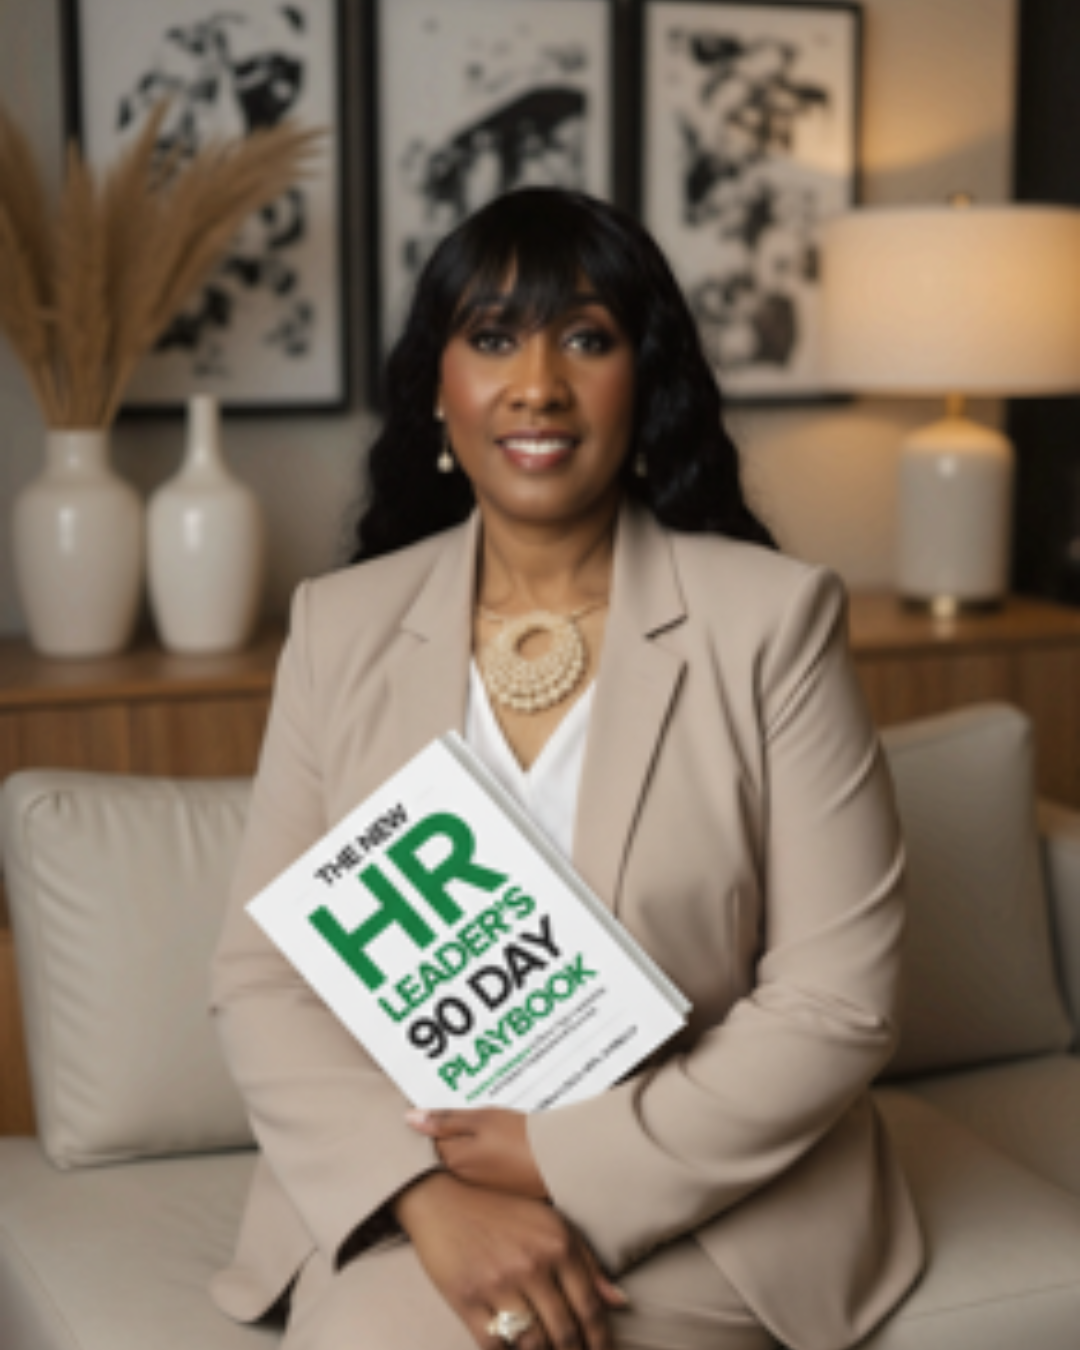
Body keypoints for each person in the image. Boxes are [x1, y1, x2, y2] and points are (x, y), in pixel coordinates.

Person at [209, 187, 923, 1350]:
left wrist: (560, 1159)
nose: (536, 383)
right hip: (411, 1190)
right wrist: (428, 1199)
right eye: (492, 338)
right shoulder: (339, 626)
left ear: (644, 382)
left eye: (585, 338)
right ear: (438, 389)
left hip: (700, 1199)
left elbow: (838, 1001)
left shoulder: (773, 622)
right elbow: (261, 978)